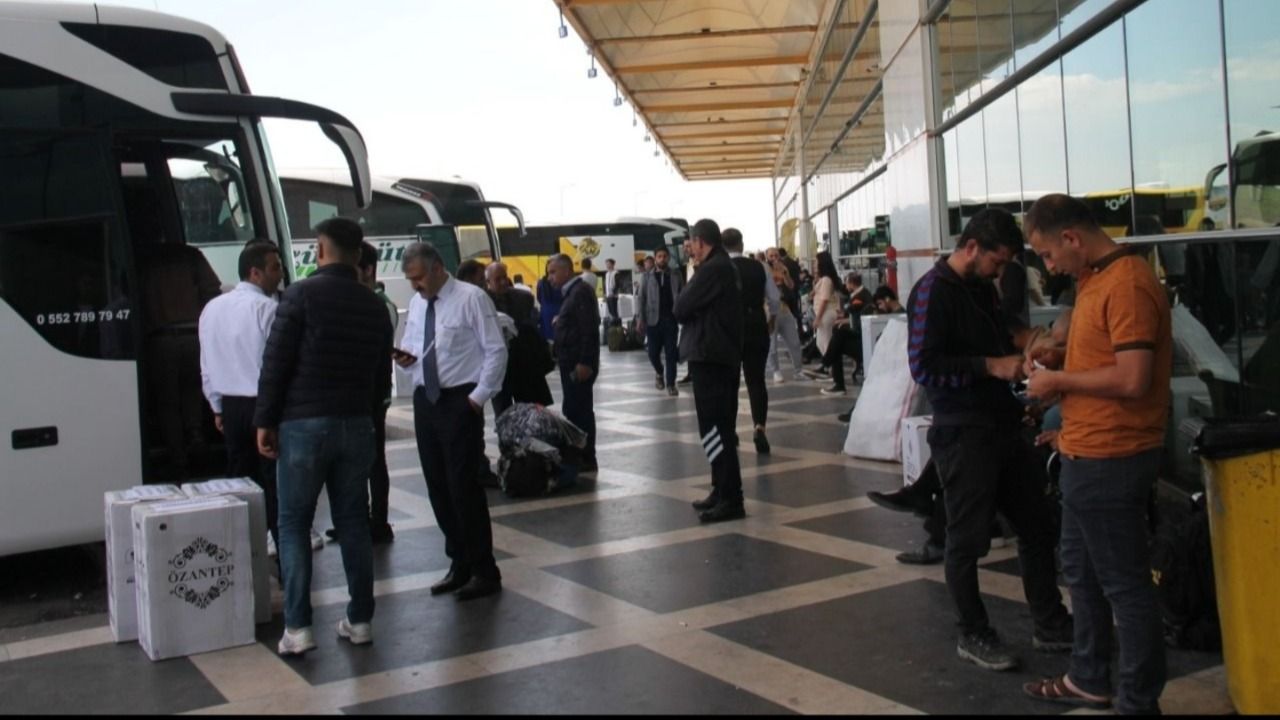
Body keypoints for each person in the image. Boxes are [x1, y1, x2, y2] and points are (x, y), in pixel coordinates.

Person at [906, 207, 1073, 672]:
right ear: (972, 248)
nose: (999, 273)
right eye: (996, 263)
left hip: (1002, 424)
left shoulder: (982, 288)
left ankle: (1050, 622)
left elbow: (1003, 334)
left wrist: (1029, 346)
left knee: (1036, 526)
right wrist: (990, 366)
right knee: (966, 540)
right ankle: (972, 632)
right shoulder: (932, 291)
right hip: (963, 431)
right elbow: (923, 366)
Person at [1023, 194, 1172, 715]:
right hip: (1085, 451)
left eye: (1045, 254)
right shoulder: (1095, 279)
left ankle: (1137, 699)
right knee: (1082, 575)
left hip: (1114, 456)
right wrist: (1060, 356)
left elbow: (1134, 378)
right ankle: (1089, 676)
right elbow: (1109, 355)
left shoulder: (1127, 282)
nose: (1048, 266)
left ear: (1071, 238)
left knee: (1125, 587)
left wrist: (1059, 379)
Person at [254, 217, 393, 655]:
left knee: (292, 523)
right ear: (359, 255)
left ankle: (298, 628)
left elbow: (275, 364)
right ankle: (361, 619)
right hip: (357, 424)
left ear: (319, 250)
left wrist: (265, 420)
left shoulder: (300, 295)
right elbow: (380, 377)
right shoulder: (374, 305)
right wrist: (368, 419)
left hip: (303, 426)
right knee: (353, 521)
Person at [397, 242, 507, 602]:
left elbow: (495, 350)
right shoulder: (417, 302)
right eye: (411, 280)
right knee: (437, 485)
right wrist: (406, 359)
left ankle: (483, 568)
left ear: (438, 268)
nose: (415, 286)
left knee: (463, 487)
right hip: (426, 399)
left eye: (418, 278)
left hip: (460, 399)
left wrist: (477, 398)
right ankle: (458, 562)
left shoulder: (471, 299)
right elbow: (417, 345)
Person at [198, 241, 284, 555]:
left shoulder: (212, 308)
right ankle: (279, 547)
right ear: (255, 272)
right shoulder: (267, 309)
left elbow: (206, 363)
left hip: (231, 405)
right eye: (275, 267)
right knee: (272, 482)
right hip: (263, 405)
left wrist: (216, 406)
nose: (280, 273)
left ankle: (240, 551)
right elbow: (276, 364)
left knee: (240, 481)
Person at [676, 219, 745, 523]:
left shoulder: (712, 269)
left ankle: (730, 497)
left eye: (691, 243)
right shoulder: (724, 267)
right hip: (720, 356)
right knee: (719, 429)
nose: (689, 249)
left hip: (711, 357)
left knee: (715, 429)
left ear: (701, 242)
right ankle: (721, 488)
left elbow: (680, 307)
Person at [724, 228, 778, 454]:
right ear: (742, 244)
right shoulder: (760, 266)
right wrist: (771, 319)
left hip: (730, 327)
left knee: (730, 382)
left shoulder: (720, 268)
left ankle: (731, 431)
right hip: (756, 322)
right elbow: (774, 298)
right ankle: (759, 427)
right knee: (756, 380)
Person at [549, 253, 601, 478]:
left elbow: (588, 329)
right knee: (573, 409)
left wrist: (585, 362)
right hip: (570, 362)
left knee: (579, 411)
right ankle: (580, 455)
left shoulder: (579, 292)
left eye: (553, 272)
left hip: (577, 365)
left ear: (567, 270)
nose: (550, 277)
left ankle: (586, 456)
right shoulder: (573, 293)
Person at [487, 261, 552, 414]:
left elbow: (532, 326)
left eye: (504, 277)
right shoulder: (482, 301)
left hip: (525, 364)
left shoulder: (523, 298)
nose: (503, 282)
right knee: (503, 413)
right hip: (500, 367)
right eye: (498, 279)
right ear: (488, 282)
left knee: (530, 412)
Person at [634, 246, 684, 396]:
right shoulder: (647, 277)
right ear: (655, 258)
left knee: (671, 353)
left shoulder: (676, 275)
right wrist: (640, 319)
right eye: (659, 256)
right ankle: (659, 372)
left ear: (668, 258)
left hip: (671, 319)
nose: (662, 259)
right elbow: (641, 299)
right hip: (652, 320)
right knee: (652, 353)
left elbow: (682, 295)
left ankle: (671, 384)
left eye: (664, 256)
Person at [815, 272, 873, 395]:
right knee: (838, 337)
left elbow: (859, 317)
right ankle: (826, 365)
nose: (845, 286)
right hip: (860, 333)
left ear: (851, 283)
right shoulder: (862, 294)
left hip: (863, 337)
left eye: (846, 283)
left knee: (838, 338)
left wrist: (844, 319)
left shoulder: (860, 297)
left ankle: (826, 365)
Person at [764, 247, 807, 383]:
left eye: (776, 255)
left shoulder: (783, 268)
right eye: (771, 256)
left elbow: (791, 286)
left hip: (784, 308)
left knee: (794, 341)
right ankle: (776, 371)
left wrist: (785, 273)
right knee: (772, 343)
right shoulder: (764, 269)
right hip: (771, 311)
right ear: (767, 257)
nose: (774, 258)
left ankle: (798, 370)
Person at [811, 251, 842, 364]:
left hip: (826, 314)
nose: (814, 264)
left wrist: (818, 318)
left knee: (825, 342)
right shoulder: (824, 279)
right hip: (825, 313)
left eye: (816, 262)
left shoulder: (826, 280)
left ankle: (830, 366)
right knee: (822, 342)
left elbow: (824, 300)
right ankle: (829, 366)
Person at [537, 260, 564, 343]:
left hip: (546, 311)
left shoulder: (541, 282)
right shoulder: (560, 281)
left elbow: (539, 298)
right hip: (559, 310)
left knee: (548, 338)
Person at [604, 258, 620, 325]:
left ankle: (617, 326)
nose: (607, 265)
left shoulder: (616, 273)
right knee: (610, 312)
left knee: (614, 312)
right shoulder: (607, 274)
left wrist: (613, 293)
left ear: (613, 264)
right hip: (608, 295)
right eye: (606, 264)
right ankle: (613, 326)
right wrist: (605, 294)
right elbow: (606, 285)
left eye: (609, 263)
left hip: (613, 296)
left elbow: (618, 284)